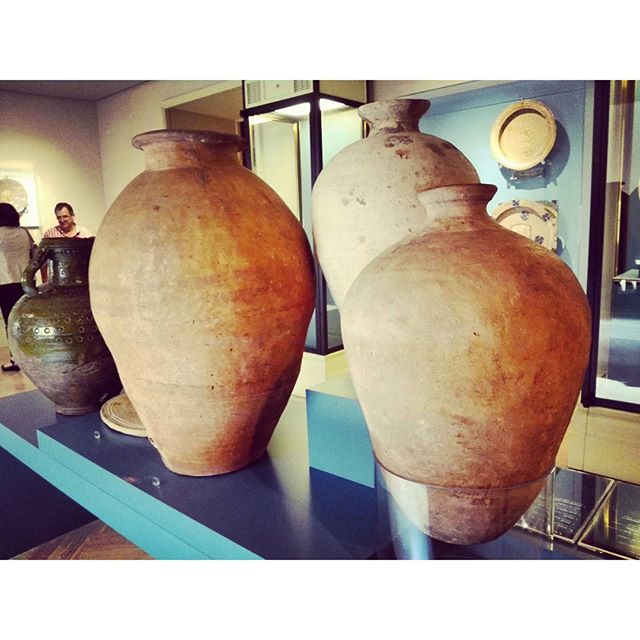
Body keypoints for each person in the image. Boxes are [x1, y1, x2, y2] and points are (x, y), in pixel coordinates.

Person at [0, 203, 35, 371]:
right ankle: (31, 356)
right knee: (26, 320)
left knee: (11, 321)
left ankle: (15, 359)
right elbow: (35, 253)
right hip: (26, 281)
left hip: (5, 282)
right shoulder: (24, 232)